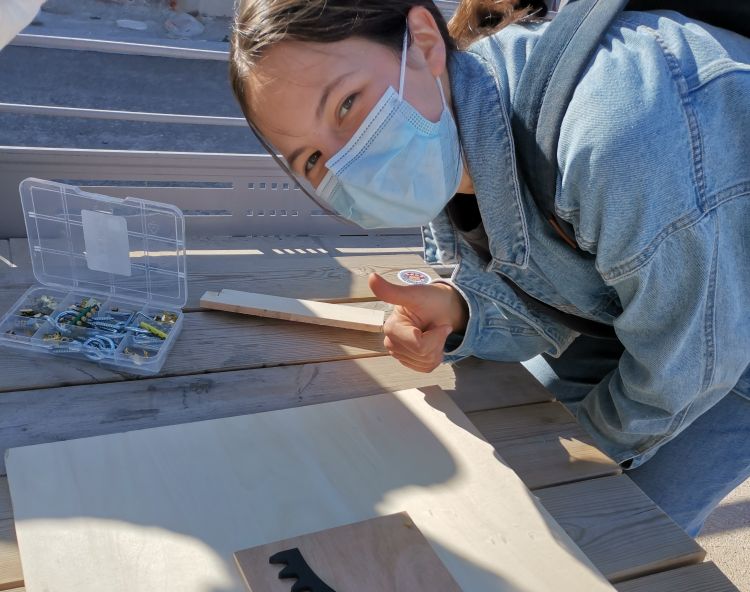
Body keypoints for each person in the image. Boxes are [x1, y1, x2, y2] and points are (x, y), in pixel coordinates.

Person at [228, 0, 750, 541]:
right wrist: (460, 311)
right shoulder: (445, 137)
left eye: (346, 105)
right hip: (661, 296)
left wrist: (581, 459)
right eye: (311, 160)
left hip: (726, 329)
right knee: (519, 450)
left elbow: (691, 364)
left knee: (617, 534)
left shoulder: (613, 140)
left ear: (423, 41)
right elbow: (556, 289)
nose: (345, 161)